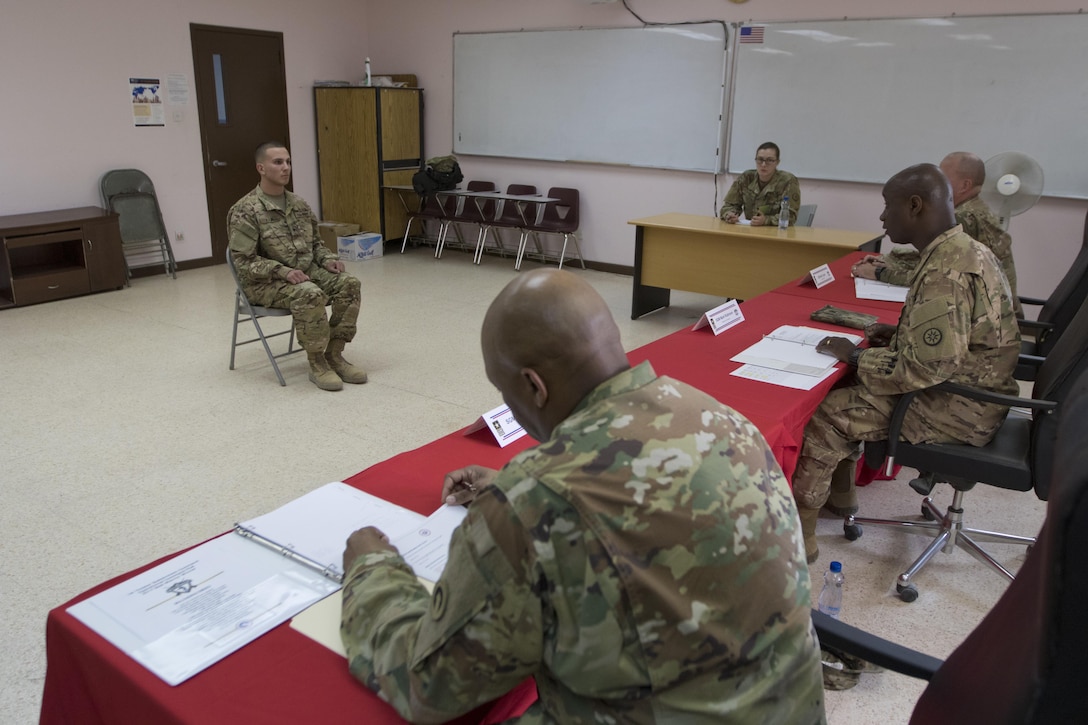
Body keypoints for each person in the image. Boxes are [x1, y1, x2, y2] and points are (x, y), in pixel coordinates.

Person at [340, 269, 825, 723]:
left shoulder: (531, 504)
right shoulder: (721, 417)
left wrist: (372, 567)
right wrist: (519, 488)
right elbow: (649, 497)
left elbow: (428, 686)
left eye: (503, 389)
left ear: (533, 385)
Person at [792, 163, 1021, 562]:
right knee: (851, 385)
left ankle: (800, 534)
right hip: (983, 392)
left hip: (958, 407)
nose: (882, 217)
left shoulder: (944, 271)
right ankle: (841, 496)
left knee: (829, 413)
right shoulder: (963, 249)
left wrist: (859, 356)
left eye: (887, 206)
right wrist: (894, 336)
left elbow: (923, 370)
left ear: (915, 206)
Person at [228, 142, 367, 391]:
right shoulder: (245, 210)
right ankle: (317, 364)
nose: (285, 168)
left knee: (349, 284)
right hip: (265, 283)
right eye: (278, 162)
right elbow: (244, 262)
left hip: (305, 272)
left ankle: (334, 355)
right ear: (261, 168)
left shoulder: (299, 205)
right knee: (309, 293)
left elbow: (315, 245)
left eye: (288, 162)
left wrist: (328, 260)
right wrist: (283, 271)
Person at [853, 151, 1021, 316]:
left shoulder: (964, 218)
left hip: (988, 316)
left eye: (943, 178)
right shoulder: (975, 208)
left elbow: (932, 276)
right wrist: (890, 259)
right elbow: (934, 258)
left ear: (965, 185)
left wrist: (878, 273)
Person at [719, 141, 801, 226]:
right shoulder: (746, 178)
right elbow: (729, 206)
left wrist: (766, 220)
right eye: (760, 159)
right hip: (751, 231)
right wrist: (730, 214)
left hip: (775, 233)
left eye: (769, 160)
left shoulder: (788, 181)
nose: (763, 164)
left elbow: (791, 216)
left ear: (777, 162)